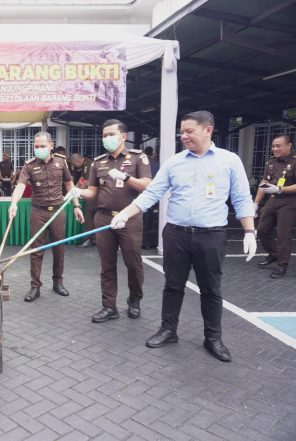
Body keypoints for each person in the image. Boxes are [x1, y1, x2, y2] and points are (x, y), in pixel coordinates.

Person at [111, 110, 256, 362]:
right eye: (182, 131)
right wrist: (126, 213)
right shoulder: (174, 162)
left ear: (208, 130)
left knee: (211, 289)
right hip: (176, 235)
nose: (184, 136)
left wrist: (249, 230)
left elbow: (242, 198)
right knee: (173, 285)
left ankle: (213, 338)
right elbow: (151, 193)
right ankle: (168, 330)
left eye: (189, 131)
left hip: (211, 236)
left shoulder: (229, 161)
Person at [78, 119, 152, 323]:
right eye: (104, 135)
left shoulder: (138, 158)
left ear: (123, 136)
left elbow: (148, 186)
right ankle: (109, 306)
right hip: (103, 218)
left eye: (111, 134)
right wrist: (77, 192)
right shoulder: (98, 162)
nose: (107, 138)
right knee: (107, 265)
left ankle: (135, 300)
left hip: (129, 218)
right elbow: (92, 192)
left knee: (133, 263)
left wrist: (127, 178)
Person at [9, 131, 80, 302]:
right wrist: (14, 203)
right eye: (36, 146)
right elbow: (19, 186)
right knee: (36, 250)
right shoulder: (29, 165)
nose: (39, 149)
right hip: (38, 212)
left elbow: (69, 184)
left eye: (42, 146)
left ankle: (58, 283)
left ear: (51, 145)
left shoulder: (61, 162)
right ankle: (35, 287)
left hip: (57, 211)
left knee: (59, 249)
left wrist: (76, 205)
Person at [254, 134, 296, 279]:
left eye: (278, 146)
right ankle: (274, 255)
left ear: (289, 146)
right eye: (273, 146)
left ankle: (281, 265)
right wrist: (256, 203)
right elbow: (264, 182)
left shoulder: (294, 162)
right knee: (262, 230)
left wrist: (280, 189)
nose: (275, 149)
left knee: (283, 235)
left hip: (289, 202)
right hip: (272, 200)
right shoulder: (271, 162)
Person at [70, 153, 96, 248]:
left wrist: (78, 192)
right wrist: (73, 190)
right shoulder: (86, 164)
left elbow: (86, 182)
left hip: (94, 195)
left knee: (89, 217)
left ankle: (89, 240)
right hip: (94, 195)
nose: (74, 167)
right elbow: (81, 180)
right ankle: (94, 239)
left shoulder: (88, 165)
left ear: (78, 161)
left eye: (74, 164)